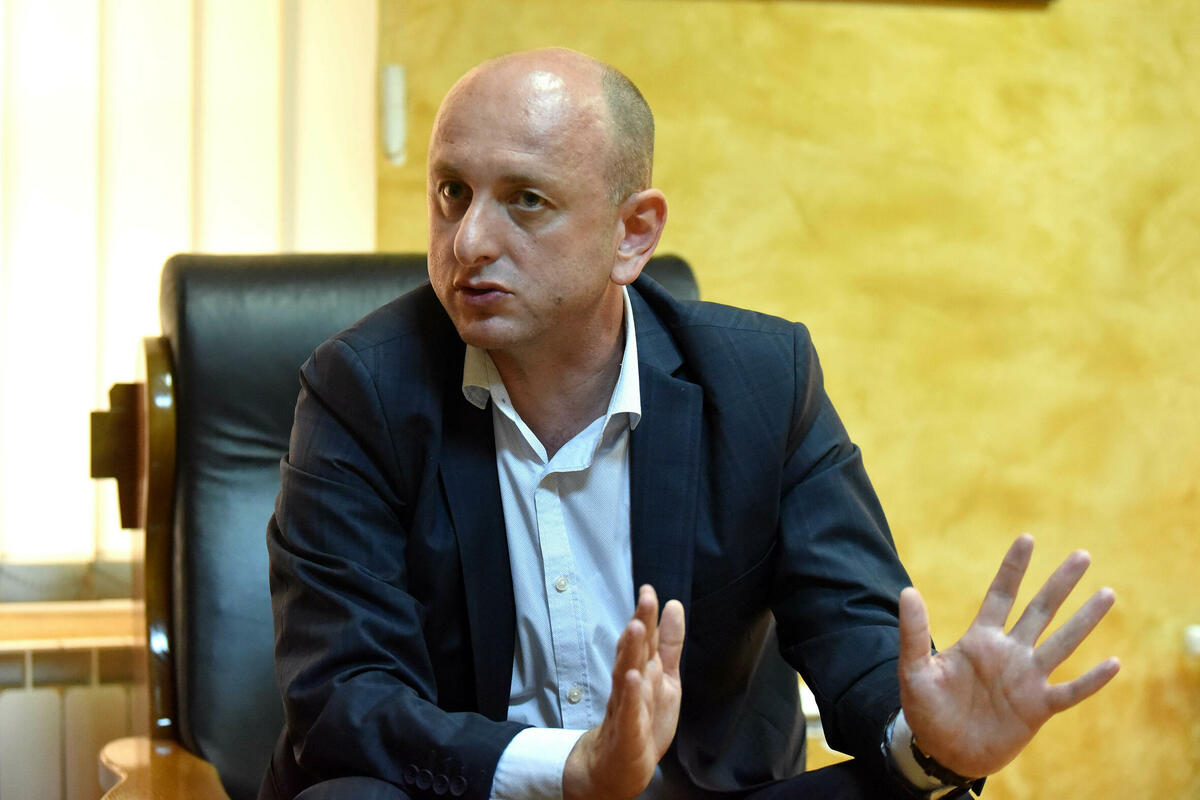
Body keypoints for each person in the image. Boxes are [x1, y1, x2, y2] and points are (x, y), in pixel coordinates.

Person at [259, 48, 1119, 800]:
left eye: (525, 200)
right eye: (452, 192)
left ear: (633, 235)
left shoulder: (760, 381)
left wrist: (930, 743)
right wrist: (572, 770)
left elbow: (851, 629)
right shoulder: (360, 388)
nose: (469, 240)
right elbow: (344, 696)